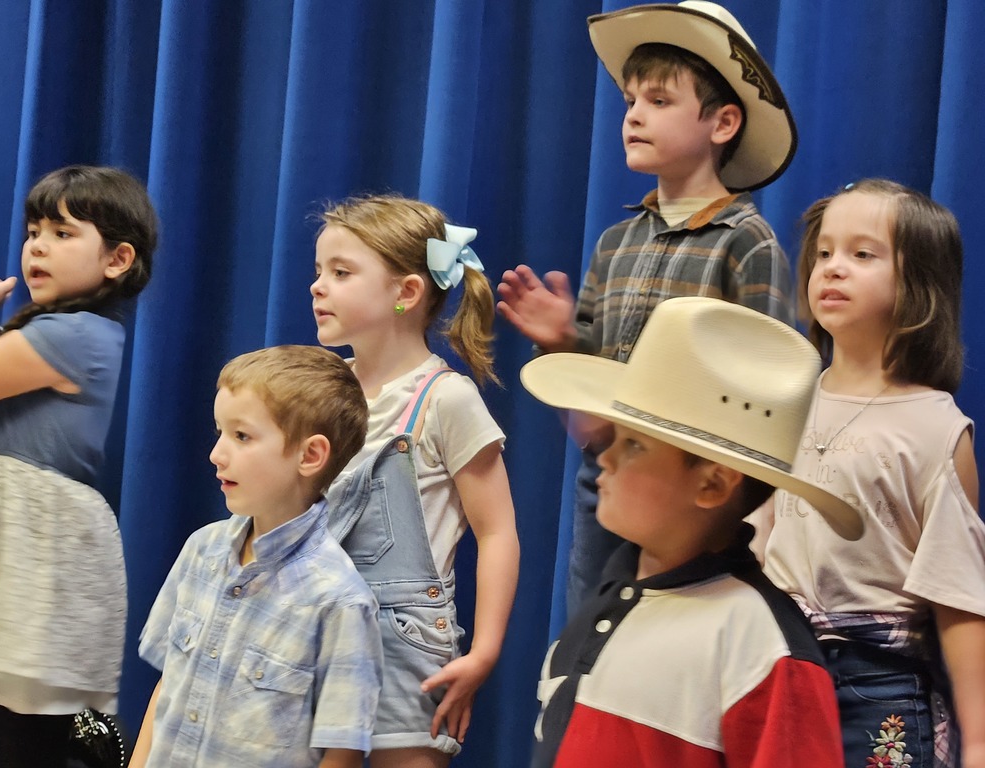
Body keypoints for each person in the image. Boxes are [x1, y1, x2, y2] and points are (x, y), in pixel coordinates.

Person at [497, 0, 798, 616]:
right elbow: (588, 406)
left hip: (696, 496)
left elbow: (762, 402)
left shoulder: (746, 242)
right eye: (630, 101)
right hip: (607, 477)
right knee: (593, 631)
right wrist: (560, 343)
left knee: (679, 631)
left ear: (722, 123)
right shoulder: (616, 241)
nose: (633, 115)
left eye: (659, 101)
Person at [521, 296, 856, 767]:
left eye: (634, 444)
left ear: (713, 484)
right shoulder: (614, 595)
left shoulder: (762, 646)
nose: (607, 457)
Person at [759, 179, 985, 768]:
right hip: (773, 663)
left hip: (879, 685)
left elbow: (959, 598)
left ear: (919, 282)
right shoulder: (779, 401)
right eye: (825, 252)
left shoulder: (937, 428)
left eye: (862, 254)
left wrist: (979, 740)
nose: (834, 269)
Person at [311, 194, 520, 766]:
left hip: (403, 646)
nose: (318, 286)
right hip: (316, 628)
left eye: (341, 272)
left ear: (406, 293)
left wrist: (484, 651)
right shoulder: (323, 389)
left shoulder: (447, 398)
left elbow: (497, 531)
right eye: (319, 272)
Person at [0, 165, 157, 767]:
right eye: (32, 231)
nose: (37, 246)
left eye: (62, 232)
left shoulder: (81, 335)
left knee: (12, 739)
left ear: (118, 259)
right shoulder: (49, 330)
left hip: (25, 571)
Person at [131, 345, 382, 768]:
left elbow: (342, 752)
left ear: (310, 455)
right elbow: (166, 687)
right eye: (220, 433)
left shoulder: (340, 601)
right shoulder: (201, 551)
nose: (217, 454)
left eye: (242, 436)